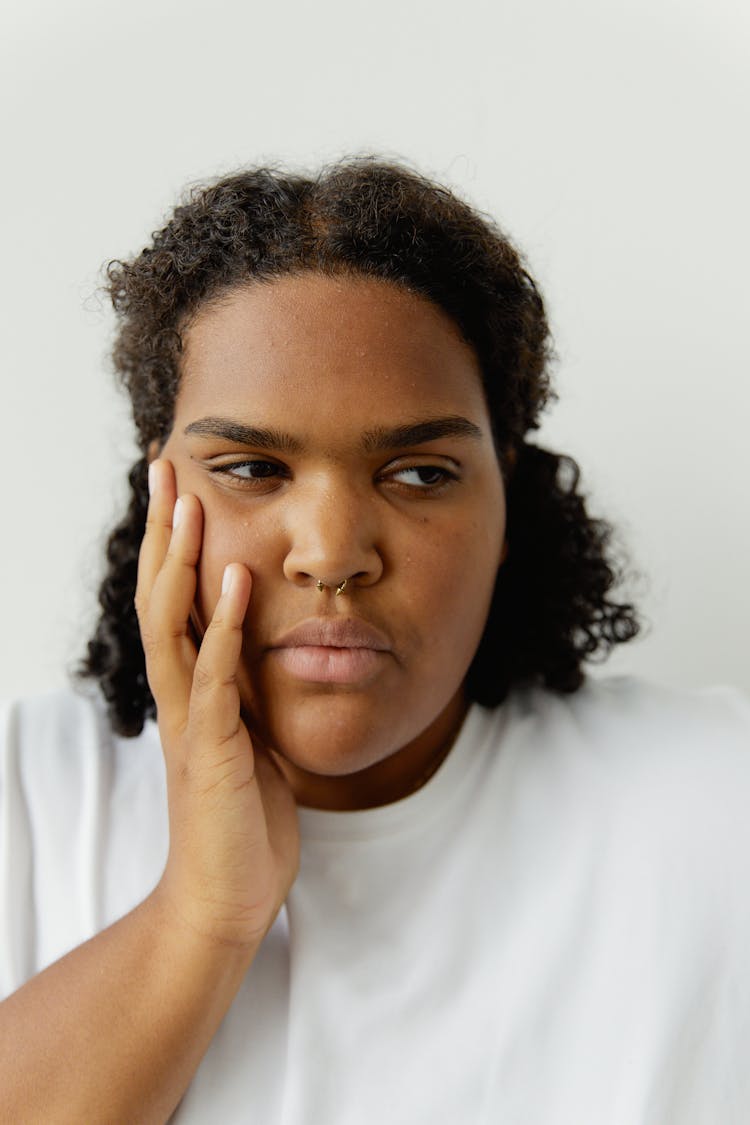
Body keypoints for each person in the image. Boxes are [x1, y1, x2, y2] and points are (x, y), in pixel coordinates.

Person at [1, 159, 749, 1124]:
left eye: (421, 473)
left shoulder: (716, 802)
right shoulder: (31, 797)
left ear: (506, 500)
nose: (332, 554)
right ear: (161, 499)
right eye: (252, 467)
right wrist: (200, 915)